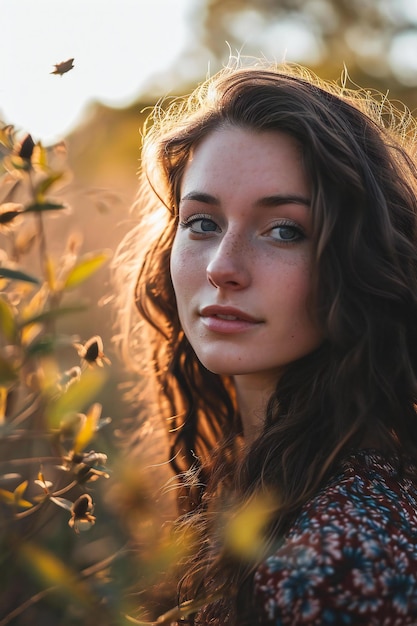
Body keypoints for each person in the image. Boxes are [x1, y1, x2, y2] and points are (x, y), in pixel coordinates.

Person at [114, 59, 417, 625]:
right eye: (202, 222)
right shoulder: (268, 486)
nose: (223, 268)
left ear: (359, 260)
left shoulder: (340, 561)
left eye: (284, 230)